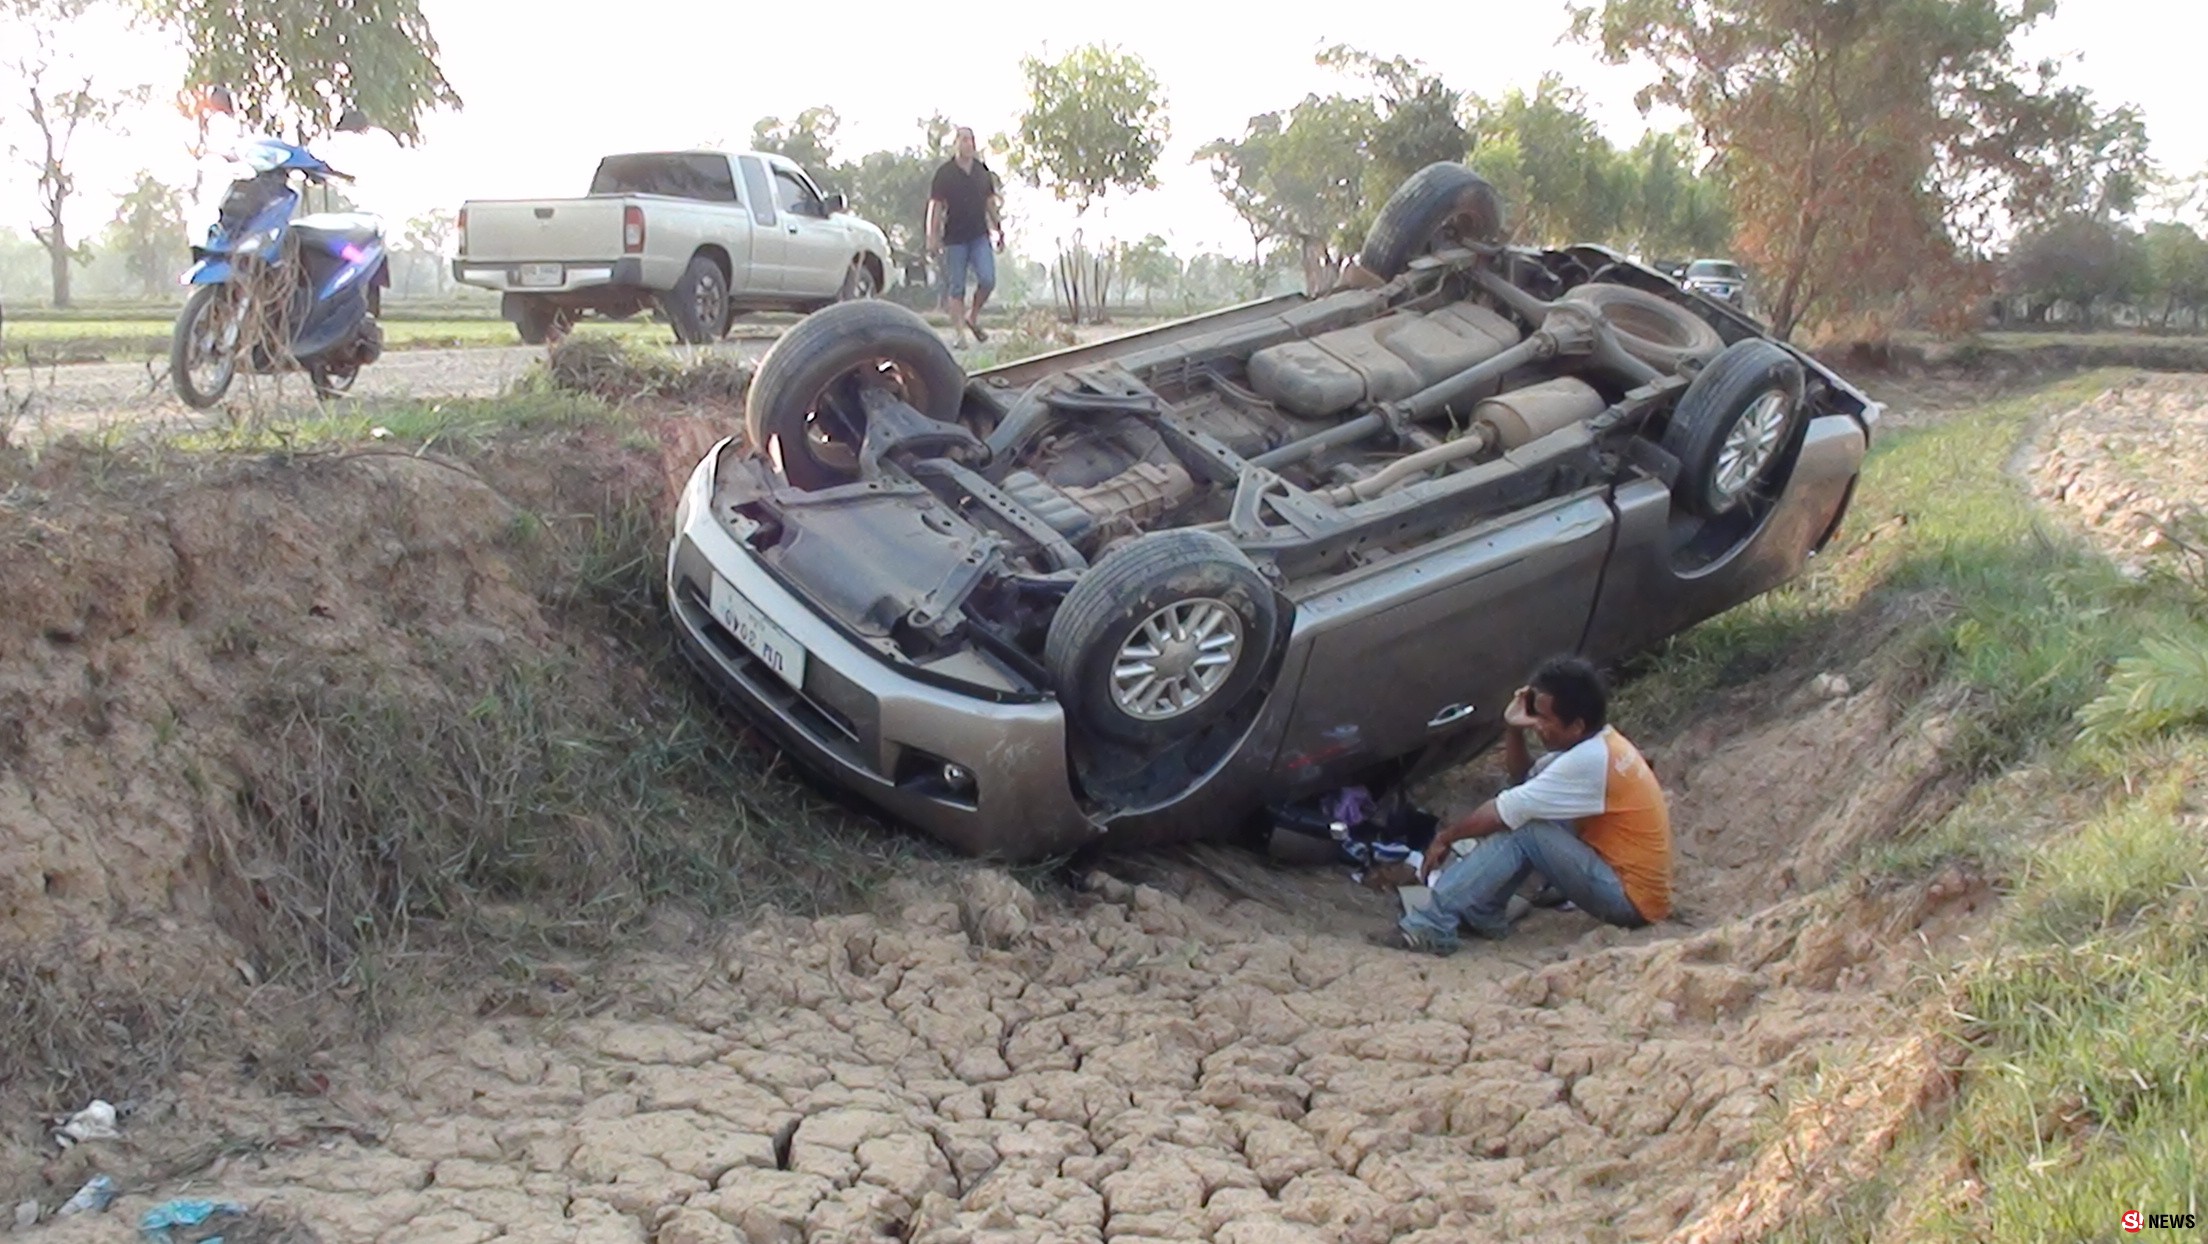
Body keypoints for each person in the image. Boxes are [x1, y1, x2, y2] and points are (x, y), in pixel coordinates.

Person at [1384, 655, 1672, 955]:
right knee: (1524, 810)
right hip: (1628, 885)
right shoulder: (1598, 744)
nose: (1538, 726)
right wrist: (1514, 728)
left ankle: (1431, 922)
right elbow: (1522, 779)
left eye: (1545, 719)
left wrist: (1446, 837)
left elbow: (1505, 810)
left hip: (1629, 900)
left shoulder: (1589, 761)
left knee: (1525, 827)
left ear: (1576, 726)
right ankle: (1484, 911)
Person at [925, 126, 1004, 347]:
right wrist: (932, 236)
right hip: (954, 238)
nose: (968, 144)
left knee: (988, 280)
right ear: (956, 143)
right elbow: (936, 206)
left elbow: (990, 202)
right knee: (956, 287)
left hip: (979, 235)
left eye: (971, 140)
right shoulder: (945, 173)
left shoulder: (981, 172)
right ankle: (960, 335)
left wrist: (999, 228)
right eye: (964, 140)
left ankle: (973, 316)